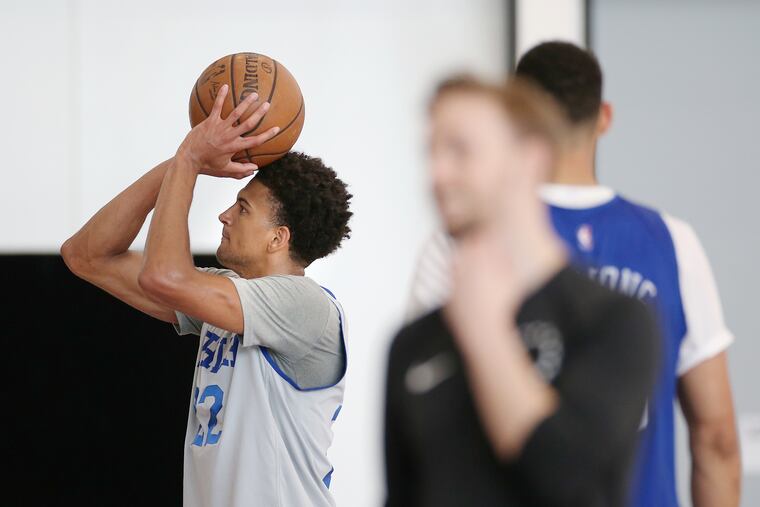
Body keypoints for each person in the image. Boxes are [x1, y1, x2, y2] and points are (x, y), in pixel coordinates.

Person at [405, 42, 741, 507]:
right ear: (603, 116)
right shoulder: (672, 241)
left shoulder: (463, 245)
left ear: (516, 122)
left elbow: (426, 427)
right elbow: (717, 439)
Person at [61, 85, 353, 507]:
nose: (225, 215)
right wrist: (178, 164)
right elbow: (86, 254)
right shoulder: (223, 297)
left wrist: (190, 159)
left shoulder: (306, 307)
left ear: (278, 238)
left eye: (243, 208)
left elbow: (164, 276)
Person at [385, 76, 658, 506]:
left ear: (530, 158)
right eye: (431, 151)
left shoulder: (614, 321)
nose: (437, 173)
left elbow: (571, 480)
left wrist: (487, 332)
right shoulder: (413, 345)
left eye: (459, 149)